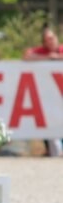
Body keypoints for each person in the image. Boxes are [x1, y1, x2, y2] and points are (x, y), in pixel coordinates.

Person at [22, 25, 63, 156]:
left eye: (52, 38)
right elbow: (27, 56)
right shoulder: (43, 52)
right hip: (49, 97)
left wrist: (56, 58)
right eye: (47, 40)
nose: (50, 42)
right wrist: (47, 58)